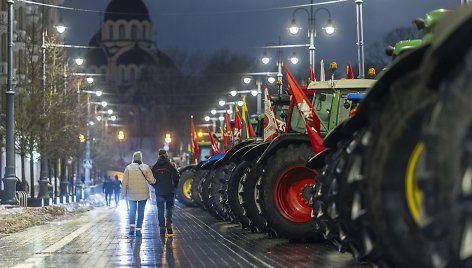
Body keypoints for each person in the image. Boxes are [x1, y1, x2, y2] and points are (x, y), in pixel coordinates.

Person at [121, 151, 156, 237]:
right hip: (143, 194)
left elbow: (124, 182)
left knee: (132, 210)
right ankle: (138, 230)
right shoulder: (146, 167)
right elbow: (151, 180)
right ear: (140, 158)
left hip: (131, 193)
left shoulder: (128, 168)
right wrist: (155, 181)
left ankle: (131, 228)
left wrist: (122, 194)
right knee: (141, 211)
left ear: (133, 158)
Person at [151, 149, 179, 235]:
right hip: (170, 191)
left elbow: (151, 179)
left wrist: (155, 186)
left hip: (159, 191)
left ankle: (162, 228)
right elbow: (176, 177)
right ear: (166, 155)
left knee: (160, 210)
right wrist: (174, 186)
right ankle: (169, 226)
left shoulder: (155, 167)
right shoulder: (170, 166)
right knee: (169, 209)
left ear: (158, 156)